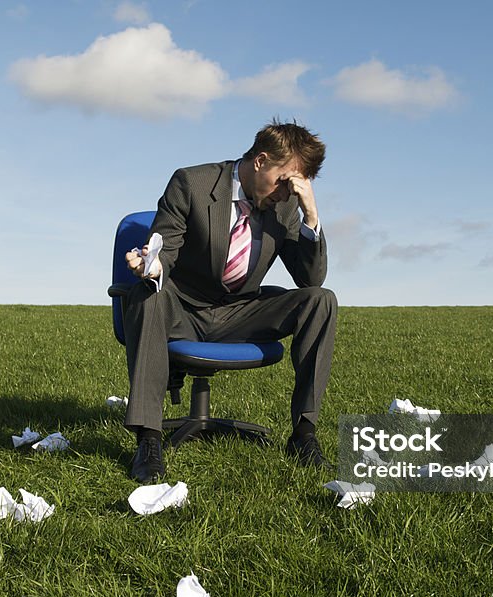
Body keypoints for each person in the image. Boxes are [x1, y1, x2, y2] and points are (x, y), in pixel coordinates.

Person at [122, 119, 337, 482]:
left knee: (321, 300)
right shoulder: (192, 183)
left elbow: (309, 278)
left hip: (239, 311)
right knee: (148, 295)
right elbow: (166, 249)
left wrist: (311, 217)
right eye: (285, 182)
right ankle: (149, 439)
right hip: (184, 308)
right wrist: (152, 265)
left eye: (297, 187)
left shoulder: (285, 208)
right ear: (261, 161)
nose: (287, 194)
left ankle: (303, 435)